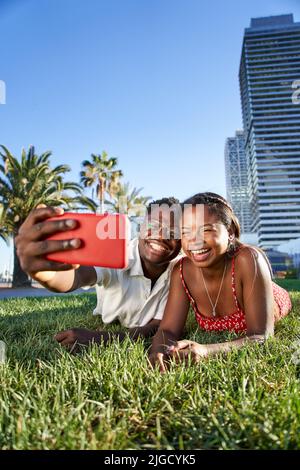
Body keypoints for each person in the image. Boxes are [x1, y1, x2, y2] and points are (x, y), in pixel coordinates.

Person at [149, 192, 292, 371]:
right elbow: (168, 329)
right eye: (185, 232)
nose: (194, 240)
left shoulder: (249, 259)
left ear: (230, 231)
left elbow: (262, 336)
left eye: (206, 229)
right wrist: (160, 351)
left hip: (274, 297)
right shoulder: (181, 271)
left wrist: (206, 351)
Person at [15, 198, 182, 350]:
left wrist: (101, 337)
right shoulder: (116, 254)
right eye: (153, 225)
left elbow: (156, 327)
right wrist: (45, 273)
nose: (161, 235)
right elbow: (79, 276)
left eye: (173, 232)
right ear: (140, 228)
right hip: (109, 316)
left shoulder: (179, 270)